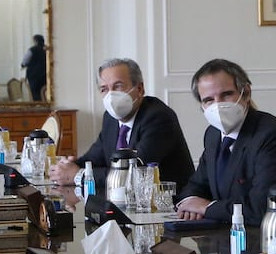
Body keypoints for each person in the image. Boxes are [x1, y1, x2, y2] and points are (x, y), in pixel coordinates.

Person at [175, 59, 276, 225]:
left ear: (246, 93)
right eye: (209, 100)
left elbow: (261, 209)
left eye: (226, 94)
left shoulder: (271, 135)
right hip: (228, 236)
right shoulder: (213, 134)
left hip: (274, 241)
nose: (218, 105)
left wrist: (207, 208)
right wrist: (189, 202)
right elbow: (197, 184)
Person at [49, 57, 194, 191]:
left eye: (118, 86)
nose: (111, 96)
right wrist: (68, 167)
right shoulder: (110, 118)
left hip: (168, 206)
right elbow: (94, 157)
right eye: (104, 89)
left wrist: (79, 174)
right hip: (125, 202)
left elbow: (133, 174)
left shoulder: (158, 117)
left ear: (139, 89)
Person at [22, 34, 47, 101]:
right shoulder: (46, 49)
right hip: (45, 74)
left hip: (34, 75)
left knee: (35, 93)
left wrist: (23, 65)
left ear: (35, 41)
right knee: (44, 92)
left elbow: (25, 61)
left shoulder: (32, 50)